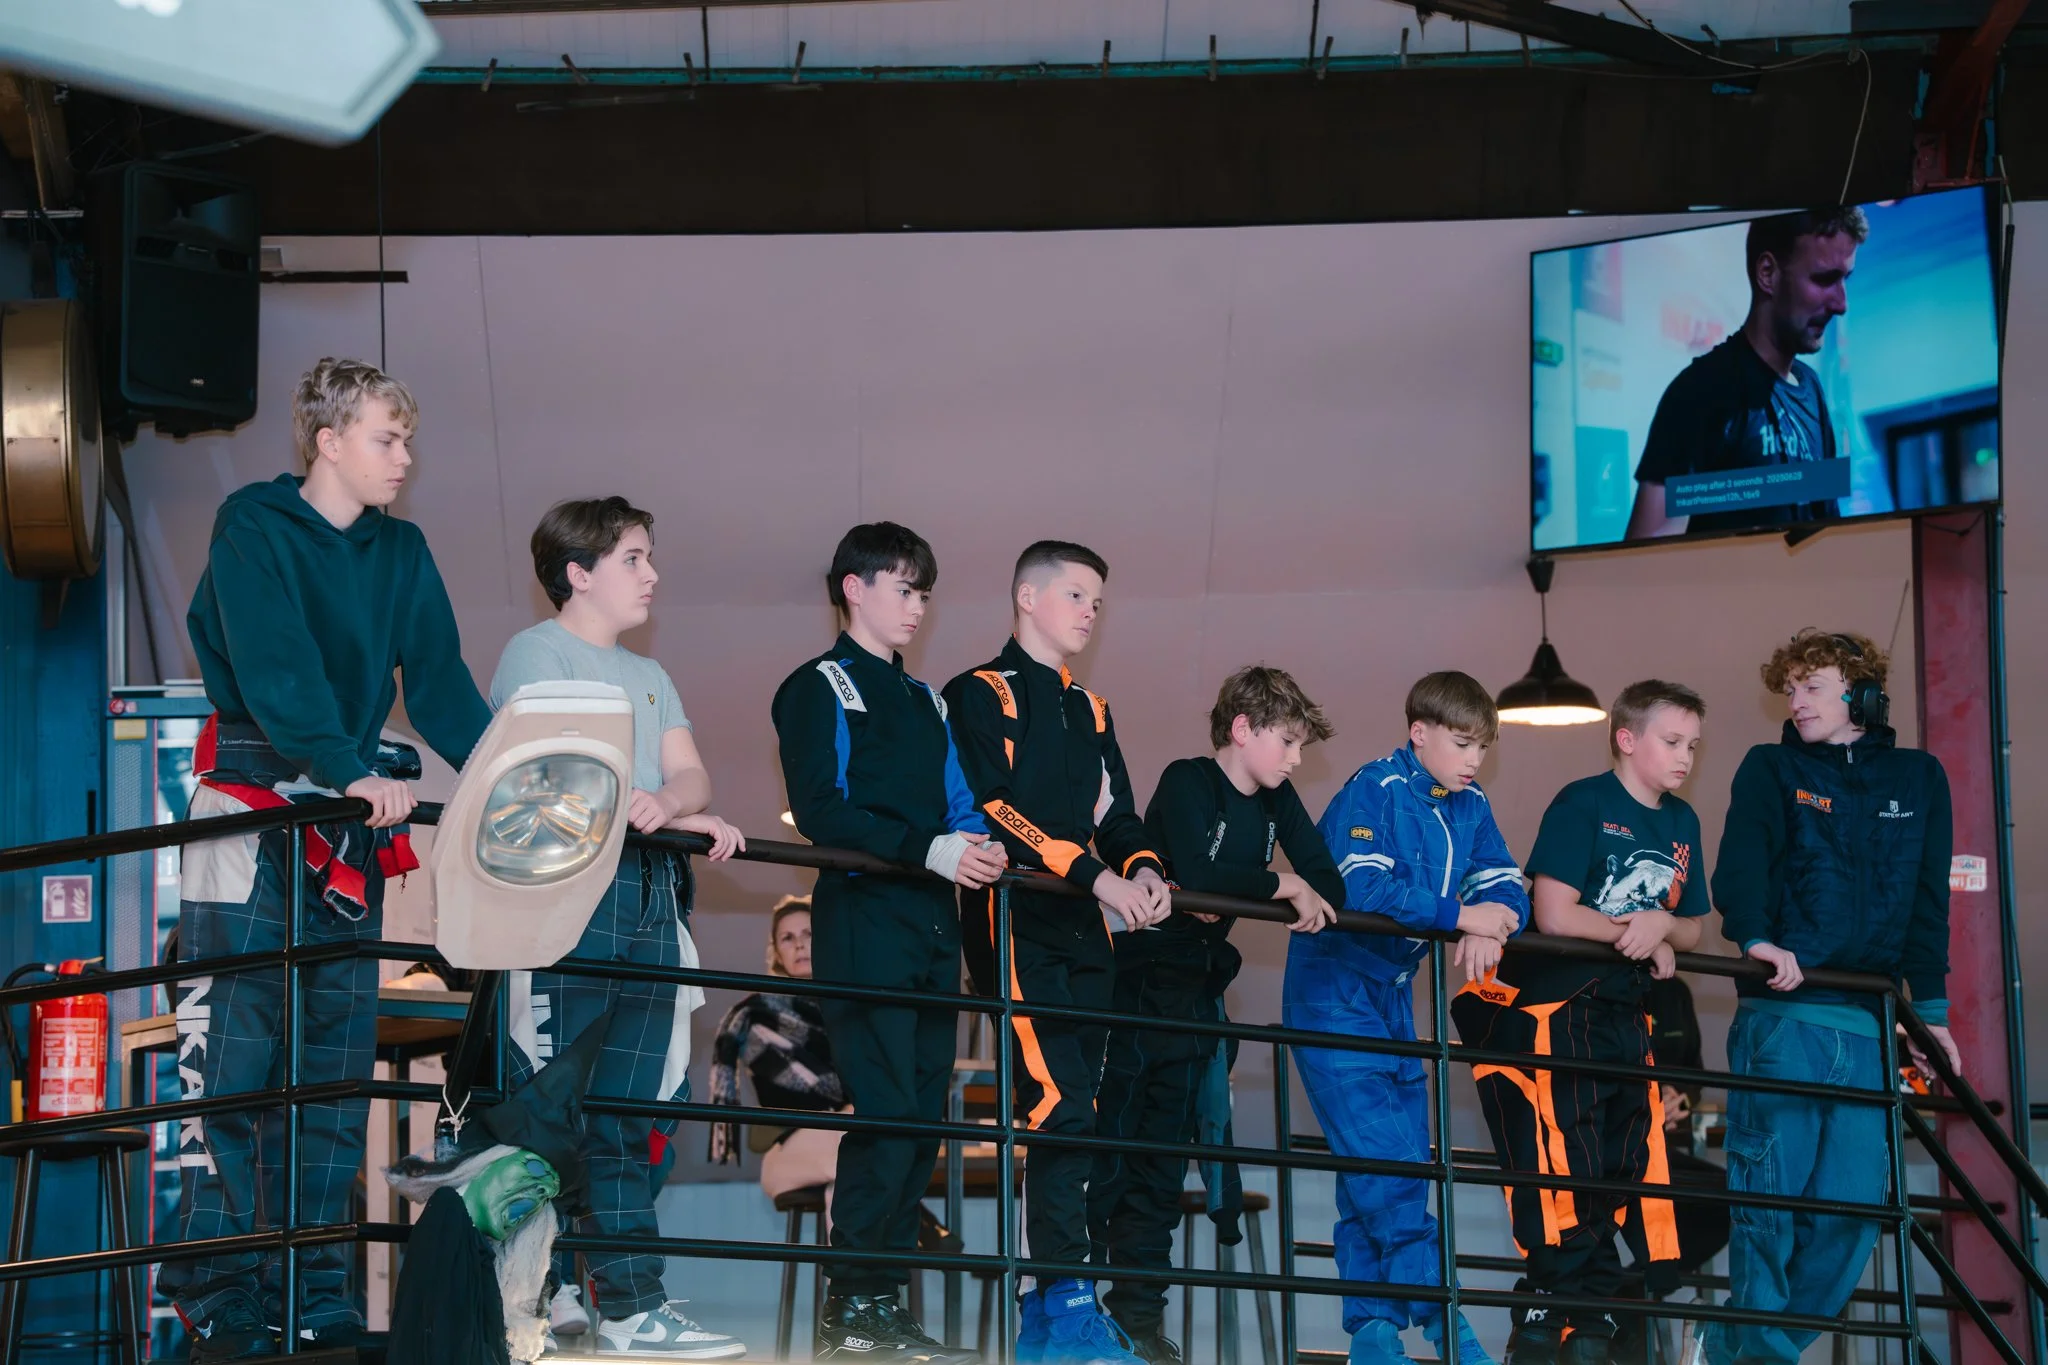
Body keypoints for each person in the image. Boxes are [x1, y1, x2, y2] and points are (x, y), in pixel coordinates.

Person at [164, 357, 493, 1359]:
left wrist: (510, 783)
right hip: (251, 809)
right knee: (237, 1057)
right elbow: (276, 671)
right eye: (388, 439)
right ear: (329, 441)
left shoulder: (404, 550)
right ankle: (221, 1286)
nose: (406, 458)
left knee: (331, 1069)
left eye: (408, 440)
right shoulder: (253, 527)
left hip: (344, 816)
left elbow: (440, 685)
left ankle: (313, 1281)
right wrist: (349, 766)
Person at [491, 495, 748, 1358]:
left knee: (634, 1108)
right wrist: (632, 802)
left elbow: (691, 773)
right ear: (580, 571)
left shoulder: (652, 673)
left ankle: (632, 1302)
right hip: (570, 891)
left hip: (650, 890)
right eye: (634, 557)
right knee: (559, 1099)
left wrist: (673, 807)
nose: (652, 574)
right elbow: (539, 774)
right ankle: (543, 1292)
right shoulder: (536, 652)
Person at [774, 521, 1004, 1365]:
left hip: (931, 927)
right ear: (854, 587)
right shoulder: (819, 686)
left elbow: (960, 803)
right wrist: (929, 847)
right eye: (903, 586)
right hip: (865, 917)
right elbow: (824, 810)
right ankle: (853, 1303)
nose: (917, 604)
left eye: (924, 591)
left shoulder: (926, 699)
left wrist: (977, 842)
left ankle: (881, 1298)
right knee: (890, 1114)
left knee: (924, 1118)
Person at [1703, 629, 1958, 1365]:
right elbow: (1740, 869)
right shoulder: (1771, 767)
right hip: (1783, 1022)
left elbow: (1927, 903)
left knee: (1851, 1216)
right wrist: (1754, 938)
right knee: (1769, 1211)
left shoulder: (1920, 778)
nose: (1796, 700)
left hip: (1870, 1029)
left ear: (1861, 692)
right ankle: (1754, 1356)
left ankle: (1735, 1348)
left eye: (1812, 685)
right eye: (1789, 688)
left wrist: (1931, 1016)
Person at [945, 540, 1171, 1365]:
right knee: (1058, 1103)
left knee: (1086, 1110)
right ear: (1027, 597)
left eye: (1097, 601)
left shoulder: (1094, 708)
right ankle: (1066, 1294)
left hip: (1086, 927)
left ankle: (1051, 1309)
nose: (1089, 611)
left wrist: (1143, 869)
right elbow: (993, 806)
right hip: (1014, 918)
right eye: (1076, 594)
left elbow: (1120, 812)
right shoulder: (980, 691)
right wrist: (1093, 875)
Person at [1450, 681, 1711, 1365]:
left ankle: (1574, 1311)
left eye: (1693, 744)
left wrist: (1663, 927)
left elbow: (1697, 925)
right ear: (1627, 737)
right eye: (1673, 741)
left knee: (1621, 1162)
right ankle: (1557, 1308)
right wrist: (1638, 929)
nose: (1686, 756)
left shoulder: (1682, 822)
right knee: (1568, 1160)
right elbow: (1557, 911)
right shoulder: (1584, 802)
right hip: (1560, 1008)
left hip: (1629, 1012)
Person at [1088, 667, 1342, 1365]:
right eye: (1287, 742)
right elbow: (1198, 875)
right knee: (1110, 1155)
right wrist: (1279, 883)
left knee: (1164, 1170)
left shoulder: (1277, 798)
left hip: (1196, 996)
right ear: (1243, 728)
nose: (1295, 758)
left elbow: (1331, 879)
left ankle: (1137, 1320)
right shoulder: (1188, 780)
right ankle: (1073, 1308)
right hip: (1134, 988)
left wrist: (1264, 884)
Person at [1281, 671, 1527, 1365]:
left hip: (1392, 997)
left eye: (1483, 744)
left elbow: (1507, 880)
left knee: (1383, 1163)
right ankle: (1444, 1315)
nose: (1474, 757)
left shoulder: (1468, 801)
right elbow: (1360, 883)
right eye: (1461, 741)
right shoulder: (1375, 787)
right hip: (1333, 990)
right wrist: (1458, 915)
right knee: (1389, 1163)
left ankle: (1372, 1332)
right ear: (1418, 732)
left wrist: (1489, 926)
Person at [706, 896, 962, 1252]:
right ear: (776, 951)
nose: (799, 945)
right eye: (787, 938)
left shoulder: (853, 1007)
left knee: (846, 1186)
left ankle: (849, 1297)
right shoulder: (756, 1015)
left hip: (851, 1137)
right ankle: (917, 1222)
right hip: (789, 1155)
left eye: (808, 934)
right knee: (865, 1137)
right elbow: (806, 1090)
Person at [1626, 207, 1868, 540]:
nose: (1842, 304)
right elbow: (1644, 555)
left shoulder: (1812, 388)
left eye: (1845, 280)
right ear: (1767, 273)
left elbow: (1825, 529)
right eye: (1824, 278)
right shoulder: (1700, 392)